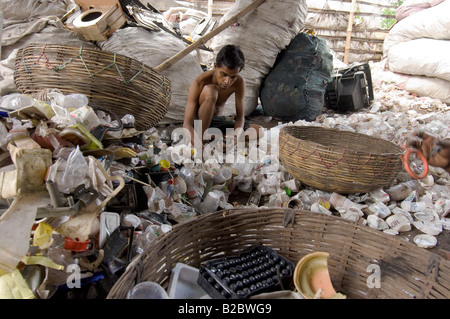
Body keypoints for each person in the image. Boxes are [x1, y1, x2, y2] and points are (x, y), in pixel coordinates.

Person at [183, 44, 261, 151]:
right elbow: (186, 124)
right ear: (215, 67)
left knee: (258, 130)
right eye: (223, 74)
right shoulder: (200, 81)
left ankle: (216, 138)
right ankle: (203, 140)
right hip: (198, 124)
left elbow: (240, 118)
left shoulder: (239, 82)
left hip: (216, 122)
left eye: (233, 77)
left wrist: (235, 138)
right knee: (211, 91)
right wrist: (200, 146)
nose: (227, 81)